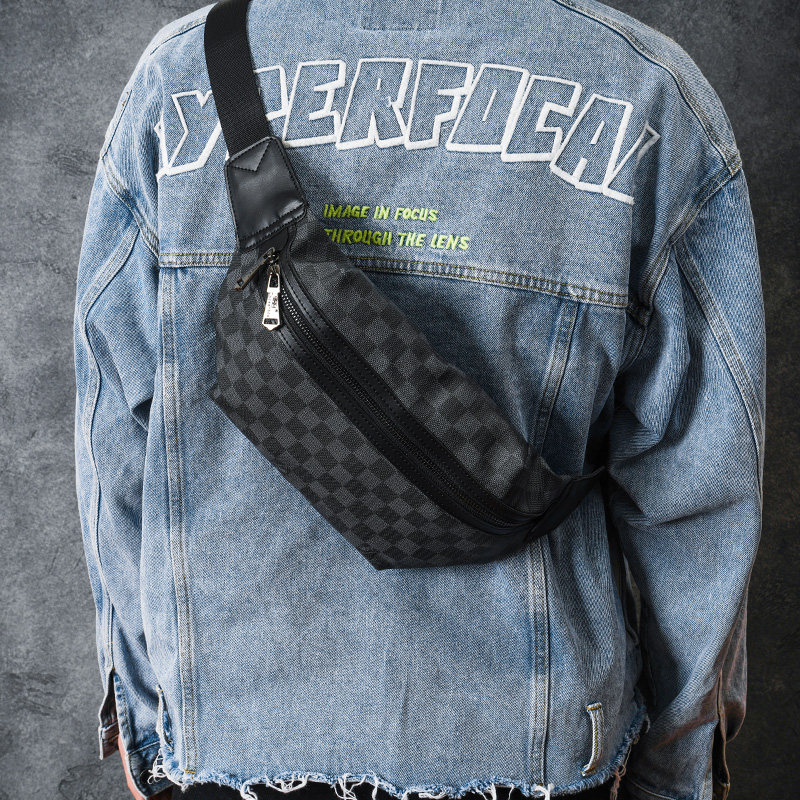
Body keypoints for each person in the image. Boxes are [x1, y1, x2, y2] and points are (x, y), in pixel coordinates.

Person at [72, 1, 765, 799]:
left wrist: (150, 721)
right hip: (528, 748)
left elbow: (117, 447)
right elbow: (698, 497)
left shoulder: (178, 77)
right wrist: (677, 772)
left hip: (234, 733)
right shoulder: (649, 95)